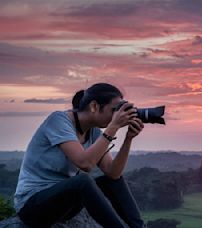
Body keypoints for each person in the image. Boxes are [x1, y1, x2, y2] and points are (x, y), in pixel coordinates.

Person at [13, 83, 146, 228]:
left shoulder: (94, 132)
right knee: (82, 181)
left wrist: (129, 139)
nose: (117, 115)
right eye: (114, 110)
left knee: (111, 181)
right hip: (33, 206)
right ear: (94, 106)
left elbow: (113, 173)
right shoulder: (58, 120)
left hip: (64, 206)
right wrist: (113, 127)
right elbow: (85, 164)